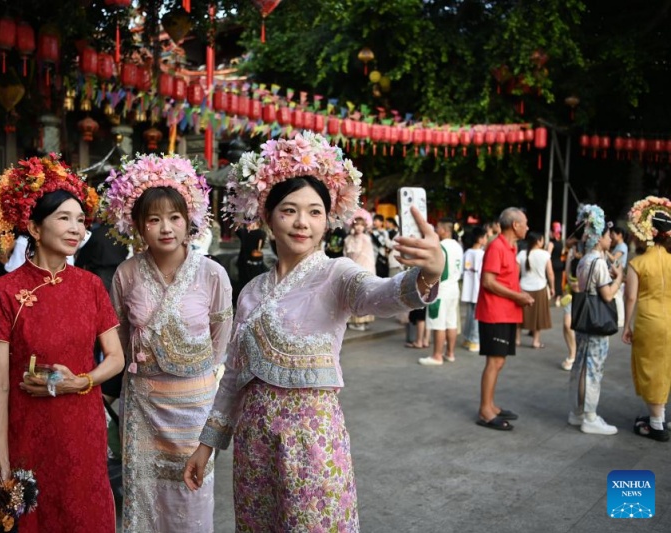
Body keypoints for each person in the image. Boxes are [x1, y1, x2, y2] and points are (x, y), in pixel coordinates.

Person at [183, 132, 444, 531]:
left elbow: (382, 294)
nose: (302, 222)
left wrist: (427, 274)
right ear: (267, 216)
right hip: (254, 443)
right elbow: (233, 377)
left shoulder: (337, 274)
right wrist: (206, 446)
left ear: (328, 218)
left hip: (312, 441)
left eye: (315, 211)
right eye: (289, 210)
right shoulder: (251, 291)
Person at [0, 154, 125, 532]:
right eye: (63, 217)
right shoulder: (5, 292)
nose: (76, 228)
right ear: (34, 227)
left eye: (80, 220)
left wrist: (82, 381)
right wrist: (2, 461)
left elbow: (116, 358)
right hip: (29, 430)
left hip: (84, 427)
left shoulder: (91, 286)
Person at [100, 153, 233, 532]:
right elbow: (122, 336)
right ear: (138, 225)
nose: (165, 228)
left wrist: (208, 385)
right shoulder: (125, 274)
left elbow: (220, 339)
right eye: (153, 219)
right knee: (144, 495)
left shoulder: (213, 274)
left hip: (195, 406)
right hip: (143, 404)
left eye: (174, 217)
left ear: (188, 220)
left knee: (193, 493)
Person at [475, 207, 534, 431]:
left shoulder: (510, 247)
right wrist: (517, 296)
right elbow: (488, 282)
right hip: (494, 312)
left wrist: (518, 297)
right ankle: (485, 410)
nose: (528, 227)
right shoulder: (497, 246)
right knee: (494, 362)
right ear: (515, 225)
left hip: (506, 312)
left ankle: (491, 404)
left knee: (499, 361)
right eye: (525, 223)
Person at [567, 204, 623, 436]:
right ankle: (590, 416)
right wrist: (618, 278)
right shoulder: (598, 263)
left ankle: (578, 411)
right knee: (593, 368)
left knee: (581, 365)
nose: (610, 238)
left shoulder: (583, 260)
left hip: (584, 319)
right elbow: (607, 295)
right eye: (607, 235)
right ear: (598, 238)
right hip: (597, 321)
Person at [622, 198, 671, 442]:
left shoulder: (638, 262)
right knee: (666, 367)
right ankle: (660, 418)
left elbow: (630, 297)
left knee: (651, 368)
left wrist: (626, 326)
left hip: (649, 321)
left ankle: (656, 423)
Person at [420, 218, 464, 365]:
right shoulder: (458, 246)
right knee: (451, 322)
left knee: (438, 323)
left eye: (438, 228)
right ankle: (450, 353)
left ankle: (437, 356)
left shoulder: (441, 247)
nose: (436, 230)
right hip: (454, 288)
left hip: (441, 289)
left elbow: (439, 271)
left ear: (445, 230)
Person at [515, 231, 554, 349]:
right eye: (542, 240)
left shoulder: (521, 254)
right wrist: (552, 287)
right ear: (538, 241)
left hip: (523, 287)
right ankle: (535, 341)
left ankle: (517, 339)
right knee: (538, 316)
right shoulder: (545, 255)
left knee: (519, 315)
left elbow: (515, 274)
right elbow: (550, 273)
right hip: (540, 287)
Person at [344, 209, 376, 331]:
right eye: (356, 224)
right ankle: (352, 320)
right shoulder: (348, 239)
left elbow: (368, 257)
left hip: (363, 269)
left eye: (361, 225)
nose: (358, 227)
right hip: (351, 270)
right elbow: (345, 255)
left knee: (362, 295)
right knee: (351, 296)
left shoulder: (366, 239)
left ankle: (363, 321)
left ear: (365, 226)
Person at [460, 226, 486, 353]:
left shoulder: (467, 252)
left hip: (468, 288)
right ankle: (475, 341)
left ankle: (467, 339)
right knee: (477, 316)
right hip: (478, 289)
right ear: (480, 239)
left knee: (470, 315)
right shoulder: (482, 254)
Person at [559, 232, 583, 371]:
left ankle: (577, 355)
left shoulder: (593, 253)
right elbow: (567, 271)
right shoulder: (572, 252)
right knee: (567, 324)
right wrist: (571, 282)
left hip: (585, 293)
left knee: (580, 327)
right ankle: (572, 354)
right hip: (571, 292)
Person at [234, 221, 268, 304]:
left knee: (243, 282)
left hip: (243, 261)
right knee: (257, 283)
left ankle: (243, 301)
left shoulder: (243, 232)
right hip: (256, 261)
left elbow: (237, 229)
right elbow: (261, 247)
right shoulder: (262, 233)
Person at [607, 226, 629, 327]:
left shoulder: (622, 246)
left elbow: (615, 261)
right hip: (615, 273)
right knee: (616, 296)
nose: (611, 236)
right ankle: (619, 319)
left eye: (613, 234)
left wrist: (605, 251)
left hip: (618, 274)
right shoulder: (618, 246)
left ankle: (620, 320)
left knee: (618, 296)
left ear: (619, 235)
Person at [549, 221, 564, 306]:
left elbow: (548, 255)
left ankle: (552, 295)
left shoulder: (551, 243)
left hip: (552, 264)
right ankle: (558, 299)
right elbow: (561, 252)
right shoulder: (560, 243)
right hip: (560, 264)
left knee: (552, 280)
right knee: (559, 281)